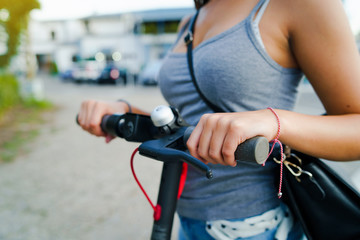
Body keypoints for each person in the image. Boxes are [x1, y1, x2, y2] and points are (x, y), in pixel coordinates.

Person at [77, 0, 360, 239]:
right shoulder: (189, 21)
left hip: (256, 225)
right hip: (187, 219)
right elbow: (185, 126)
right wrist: (123, 110)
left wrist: (272, 121)